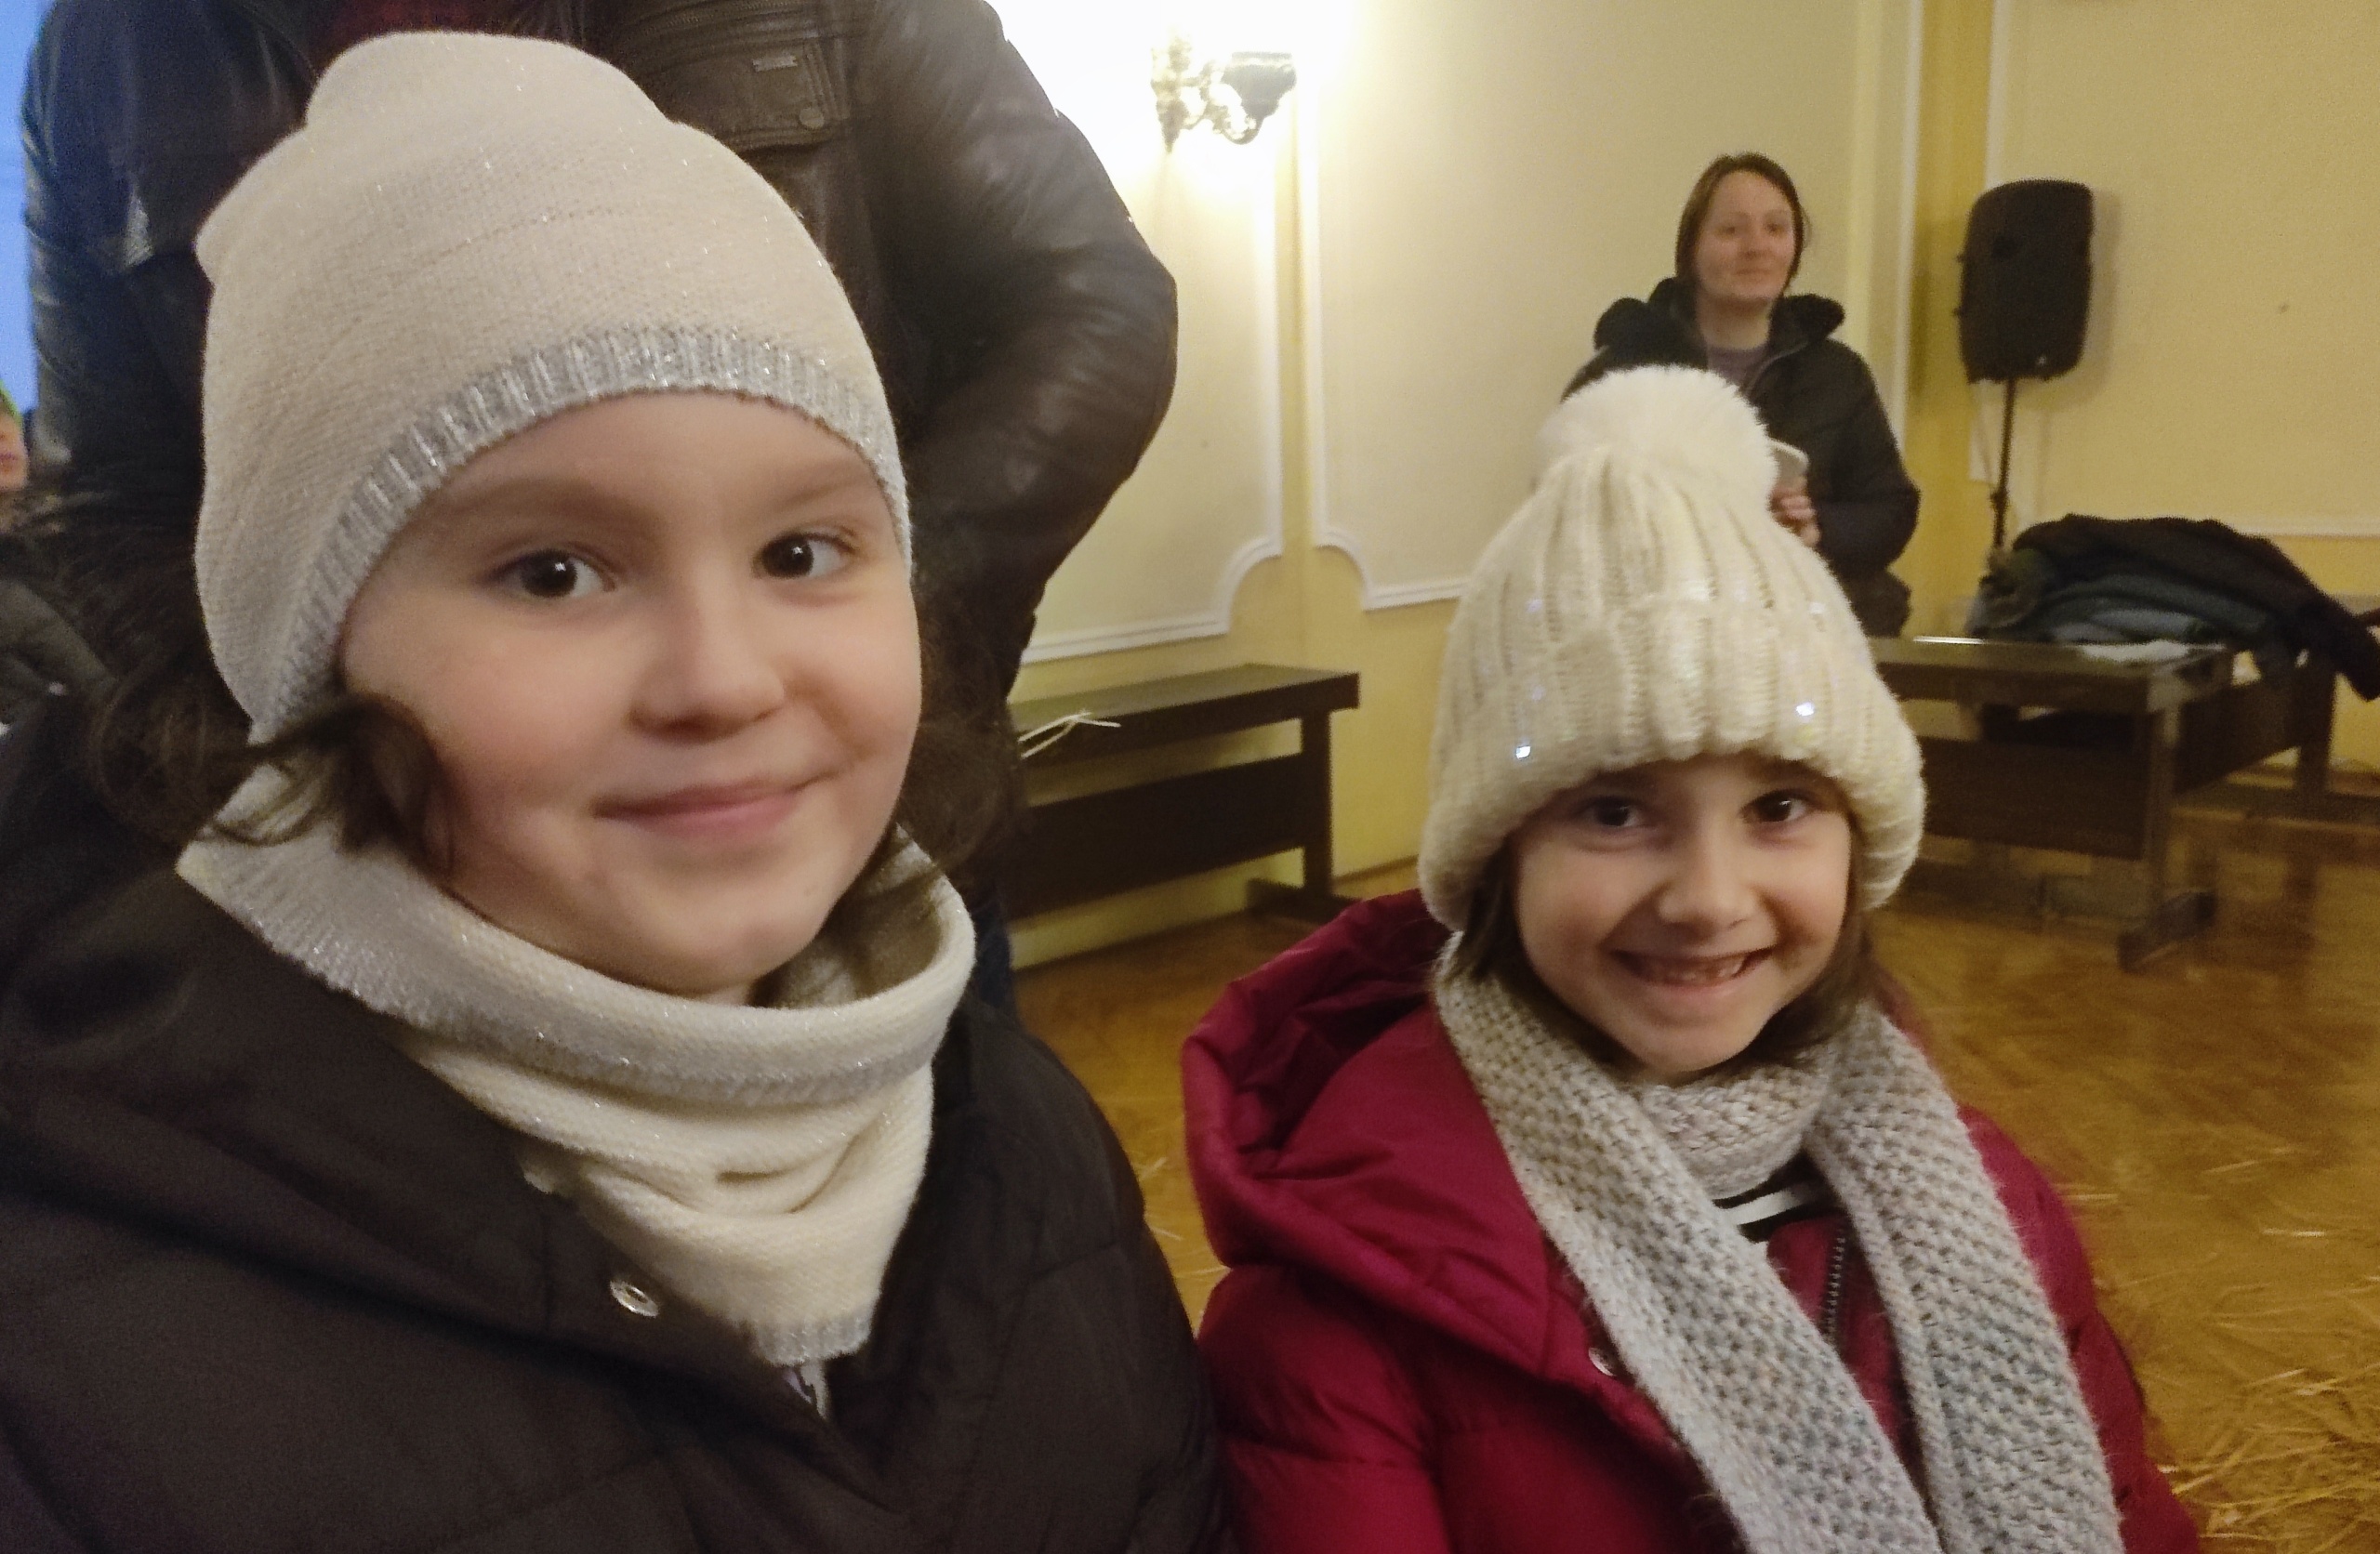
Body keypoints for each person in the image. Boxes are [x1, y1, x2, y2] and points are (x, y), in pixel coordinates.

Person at [0, 36, 1223, 1551]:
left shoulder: (1025, 1146)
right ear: (309, 657)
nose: (725, 681)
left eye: (800, 554)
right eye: (552, 572)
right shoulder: (78, 1361)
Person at [1183, 368, 2198, 1553]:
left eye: (1778, 805)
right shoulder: (1337, 1314)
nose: (1710, 900)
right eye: (1614, 811)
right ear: (1499, 858)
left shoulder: (1988, 1204)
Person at [18, 0, 1174, 748]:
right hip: (364, 862)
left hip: (841, 803)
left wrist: (848, 626)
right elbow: (107, 496)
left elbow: (1093, 300)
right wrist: (305, 766)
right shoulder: (108, 48)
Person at [1565, 153, 1918, 636]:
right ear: (1691, 250)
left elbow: (1890, 510)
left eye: (1776, 228)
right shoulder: (1623, 370)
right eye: (1731, 230)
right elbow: (1567, 514)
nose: (1757, 247)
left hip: (1804, 635)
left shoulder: (1838, 374)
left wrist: (1817, 526)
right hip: (1661, 633)